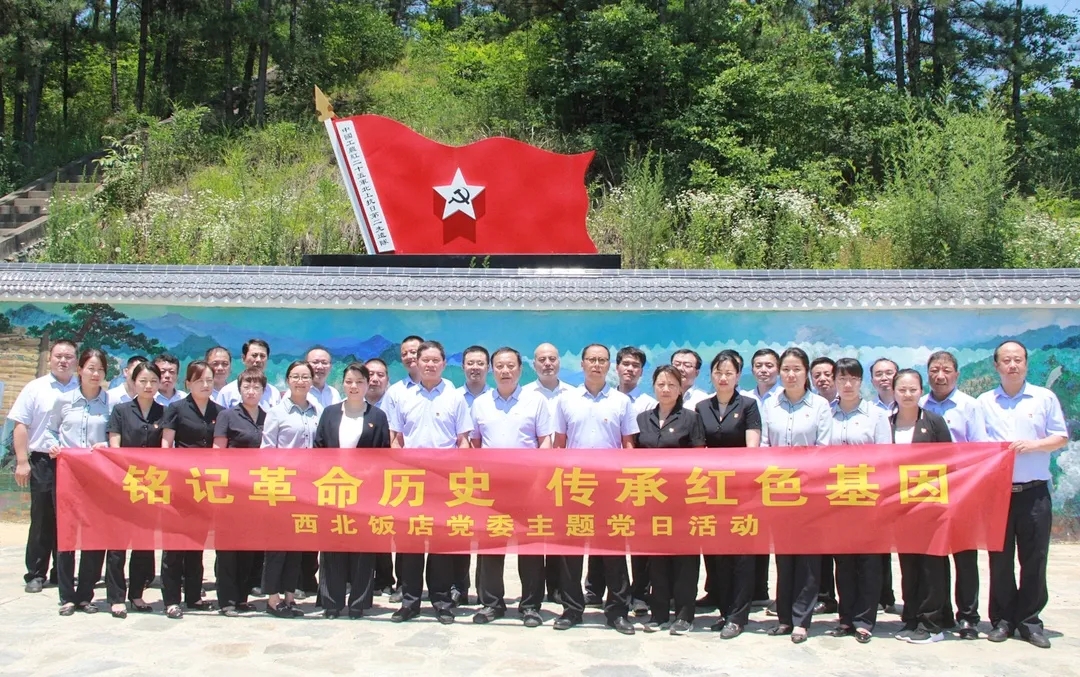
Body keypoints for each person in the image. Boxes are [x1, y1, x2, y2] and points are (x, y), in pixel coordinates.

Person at [977, 340, 1067, 649]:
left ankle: (1030, 621)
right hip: (998, 494)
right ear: (997, 366)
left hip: (1034, 492)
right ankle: (1002, 620)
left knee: (1034, 558)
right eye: (1006, 360)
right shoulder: (985, 402)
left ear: (1026, 364)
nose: (1012, 365)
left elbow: (1060, 436)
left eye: (1018, 359)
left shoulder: (1044, 398)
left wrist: (1034, 445)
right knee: (1000, 559)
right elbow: (978, 444)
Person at [553, 344, 639, 635]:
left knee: (613, 550)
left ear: (609, 366)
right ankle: (571, 609)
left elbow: (628, 444)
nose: (596, 365)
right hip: (575, 485)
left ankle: (617, 611)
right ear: (582, 363)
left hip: (611, 486)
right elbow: (559, 443)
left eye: (602, 360)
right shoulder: (566, 400)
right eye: (591, 359)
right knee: (571, 551)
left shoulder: (621, 401)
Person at [469, 347, 554, 627]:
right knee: (491, 548)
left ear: (520, 369)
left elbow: (545, 441)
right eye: (499, 366)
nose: (505, 371)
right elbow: (475, 444)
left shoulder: (535, 401)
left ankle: (530, 606)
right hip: (491, 488)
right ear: (491, 370)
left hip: (527, 487)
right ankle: (492, 603)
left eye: (510, 366)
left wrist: (540, 481)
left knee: (530, 549)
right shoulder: (481, 403)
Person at [389, 340, 472, 624]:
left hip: (443, 482)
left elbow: (463, 440)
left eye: (436, 360)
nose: (430, 365)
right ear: (417, 362)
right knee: (410, 544)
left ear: (444, 363)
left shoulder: (454, 396)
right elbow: (396, 439)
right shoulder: (402, 396)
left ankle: (441, 602)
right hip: (411, 481)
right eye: (425, 360)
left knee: (441, 546)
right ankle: (410, 601)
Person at [761, 347, 832, 643]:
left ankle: (802, 619)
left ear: (806, 373)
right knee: (784, 557)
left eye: (797, 369)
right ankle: (784, 618)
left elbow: (823, 448)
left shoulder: (820, 406)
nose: (791, 375)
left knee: (807, 559)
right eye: (786, 369)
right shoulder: (771, 405)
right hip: (778, 491)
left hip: (809, 492)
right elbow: (764, 445)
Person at [313, 362, 391, 618]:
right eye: (349, 381)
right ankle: (331, 602)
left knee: (363, 547)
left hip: (365, 492)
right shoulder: (330, 413)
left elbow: (383, 455)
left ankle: (358, 602)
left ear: (367, 384)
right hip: (333, 488)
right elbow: (319, 448)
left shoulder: (377, 416)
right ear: (342, 384)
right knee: (332, 546)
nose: (354, 386)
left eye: (359, 381)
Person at [633, 364, 705, 634]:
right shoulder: (642, 419)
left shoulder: (691, 418)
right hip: (652, 499)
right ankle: (659, 614)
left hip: (684, 501)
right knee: (657, 559)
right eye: (661, 384)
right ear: (653, 386)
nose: (666, 389)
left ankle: (685, 615)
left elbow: (700, 459)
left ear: (680, 389)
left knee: (685, 559)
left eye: (672, 385)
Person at [921, 350, 988, 640]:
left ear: (956, 374)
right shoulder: (920, 405)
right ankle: (941, 612)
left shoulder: (970, 406)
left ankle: (968, 617)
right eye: (935, 370)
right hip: (928, 491)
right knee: (934, 555)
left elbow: (980, 448)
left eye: (946, 370)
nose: (940, 376)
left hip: (962, 489)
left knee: (965, 555)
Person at [696, 350, 761, 639]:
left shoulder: (748, 405)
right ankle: (724, 611)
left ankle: (738, 616)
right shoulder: (702, 407)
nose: (723, 378)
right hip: (710, 491)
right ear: (711, 375)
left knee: (742, 556)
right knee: (717, 554)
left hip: (741, 491)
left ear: (737, 376)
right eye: (718, 372)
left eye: (729, 373)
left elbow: (752, 448)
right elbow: (698, 449)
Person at [827, 358, 891, 644]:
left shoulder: (876, 415)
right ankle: (845, 617)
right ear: (835, 382)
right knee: (843, 561)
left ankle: (864, 620)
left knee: (868, 561)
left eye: (853, 378)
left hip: (868, 496)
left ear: (861, 381)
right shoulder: (827, 413)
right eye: (842, 379)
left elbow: (886, 457)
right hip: (836, 496)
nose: (848, 384)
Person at [9, 338, 80, 594]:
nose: (63, 361)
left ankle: (62, 573)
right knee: (41, 517)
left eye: (69, 357)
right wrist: (21, 461)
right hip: (42, 461)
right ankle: (36, 573)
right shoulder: (35, 387)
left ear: (76, 361)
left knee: (68, 519)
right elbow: (20, 424)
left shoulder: (82, 388)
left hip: (73, 463)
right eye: (59, 356)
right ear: (50, 358)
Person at [44, 348, 111, 616]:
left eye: (100, 369)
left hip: (97, 477)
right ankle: (67, 596)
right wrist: (53, 446)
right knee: (67, 535)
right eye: (90, 368)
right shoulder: (63, 400)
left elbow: (115, 436)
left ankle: (85, 594)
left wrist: (106, 446)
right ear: (80, 370)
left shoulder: (110, 403)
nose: (95, 374)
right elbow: (50, 430)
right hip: (67, 474)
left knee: (94, 536)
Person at [891, 368, 953, 644]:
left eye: (912, 389)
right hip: (899, 505)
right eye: (902, 389)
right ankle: (911, 618)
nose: (907, 394)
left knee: (931, 564)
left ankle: (932, 623)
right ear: (894, 392)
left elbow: (949, 461)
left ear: (921, 391)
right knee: (909, 564)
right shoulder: (887, 423)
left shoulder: (934, 422)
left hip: (930, 505)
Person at [160, 360, 222, 619]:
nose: (205, 385)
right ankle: (171, 599)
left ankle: (194, 596)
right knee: (174, 545)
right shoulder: (176, 409)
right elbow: (166, 445)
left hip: (204, 486)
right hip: (179, 484)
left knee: (197, 544)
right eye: (199, 380)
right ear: (188, 383)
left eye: (209, 380)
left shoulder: (219, 411)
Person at [260, 359, 322, 618]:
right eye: (295, 376)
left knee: (297, 544)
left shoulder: (317, 410)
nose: (300, 381)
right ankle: (273, 599)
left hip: (308, 488)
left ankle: (289, 595)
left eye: (305, 376)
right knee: (277, 545)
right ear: (287, 380)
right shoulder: (276, 412)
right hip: (282, 486)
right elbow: (267, 450)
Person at [105, 361, 165, 618]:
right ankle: (116, 597)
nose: (148, 386)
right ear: (133, 382)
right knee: (117, 545)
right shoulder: (120, 411)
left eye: (153, 381)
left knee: (144, 544)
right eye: (143, 381)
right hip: (123, 484)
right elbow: (114, 446)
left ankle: (137, 594)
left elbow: (167, 449)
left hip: (151, 486)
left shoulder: (165, 412)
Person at [211, 368, 268, 617]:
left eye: (256, 387)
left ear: (263, 391)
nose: (251, 391)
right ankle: (227, 600)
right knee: (227, 548)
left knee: (249, 547)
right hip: (231, 490)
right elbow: (218, 452)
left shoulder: (267, 416)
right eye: (247, 386)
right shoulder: (227, 415)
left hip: (257, 491)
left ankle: (242, 597)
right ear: (239, 389)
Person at [521, 341, 571, 603]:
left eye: (552, 358)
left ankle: (558, 589)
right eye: (542, 359)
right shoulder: (525, 394)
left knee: (559, 532)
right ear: (534, 364)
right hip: (532, 477)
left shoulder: (572, 394)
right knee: (533, 533)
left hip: (565, 475)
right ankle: (533, 593)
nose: (548, 364)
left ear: (559, 361)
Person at [615, 345, 657, 615]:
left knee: (641, 539)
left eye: (635, 366)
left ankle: (640, 592)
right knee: (609, 535)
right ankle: (603, 589)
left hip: (639, 480)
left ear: (642, 372)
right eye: (626, 364)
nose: (629, 369)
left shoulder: (648, 404)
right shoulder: (607, 398)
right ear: (617, 367)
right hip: (609, 480)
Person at [739, 347, 781, 609]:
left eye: (769, 365)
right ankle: (755, 589)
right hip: (751, 475)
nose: (763, 370)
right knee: (753, 529)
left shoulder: (783, 397)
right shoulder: (745, 398)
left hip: (781, 474)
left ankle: (774, 592)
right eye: (758, 365)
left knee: (779, 535)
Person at [869, 357, 900, 613]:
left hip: (910, 485)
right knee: (878, 544)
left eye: (889, 373)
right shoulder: (871, 410)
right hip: (878, 485)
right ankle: (882, 596)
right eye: (878, 374)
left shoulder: (916, 406)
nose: (884, 378)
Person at [363, 357, 394, 595]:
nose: (374, 379)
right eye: (370, 375)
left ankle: (384, 579)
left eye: (380, 375)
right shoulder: (350, 404)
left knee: (383, 527)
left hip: (387, 476)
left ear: (387, 379)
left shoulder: (394, 404)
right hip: (355, 477)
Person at [218, 339, 280, 410]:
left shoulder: (274, 393)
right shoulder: (227, 392)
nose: (258, 360)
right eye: (254, 355)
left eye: (262, 356)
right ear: (243, 358)